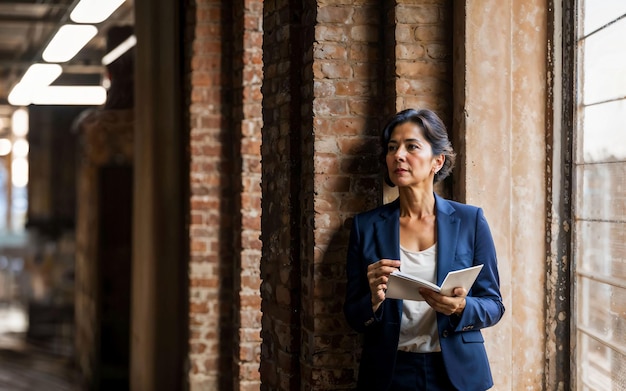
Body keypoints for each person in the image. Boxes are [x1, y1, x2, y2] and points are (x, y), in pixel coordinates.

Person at [343, 108, 505, 390]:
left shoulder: (470, 221)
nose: (399, 156)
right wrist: (373, 300)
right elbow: (353, 316)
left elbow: (494, 305)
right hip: (390, 372)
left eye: (411, 146)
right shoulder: (365, 226)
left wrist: (461, 307)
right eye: (392, 148)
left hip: (456, 372)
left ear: (437, 161)